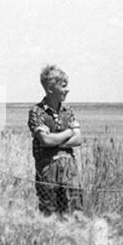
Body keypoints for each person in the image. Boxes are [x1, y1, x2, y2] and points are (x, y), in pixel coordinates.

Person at [28, 65, 84, 216]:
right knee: (50, 214)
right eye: (63, 86)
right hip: (47, 169)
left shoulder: (68, 111)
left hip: (70, 169)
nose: (67, 90)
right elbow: (45, 140)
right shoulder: (37, 111)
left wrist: (56, 140)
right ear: (50, 88)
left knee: (75, 212)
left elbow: (78, 139)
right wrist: (68, 132)